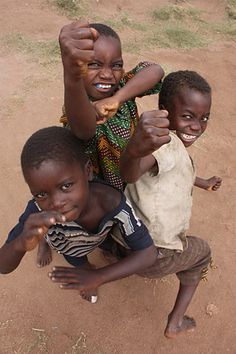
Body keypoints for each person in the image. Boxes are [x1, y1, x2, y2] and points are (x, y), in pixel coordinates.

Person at [36, 19, 165, 267]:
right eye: (94, 65)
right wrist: (71, 77)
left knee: (116, 213)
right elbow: (83, 130)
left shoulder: (121, 87)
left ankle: (110, 240)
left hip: (123, 172)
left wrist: (118, 97)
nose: (107, 74)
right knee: (68, 219)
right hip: (94, 180)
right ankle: (45, 241)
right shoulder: (78, 105)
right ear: (79, 68)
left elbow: (155, 70)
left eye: (116, 65)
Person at [0, 126, 159, 304]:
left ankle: (82, 269)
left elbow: (148, 253)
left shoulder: (112, 202)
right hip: (67, 245)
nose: (56, 203)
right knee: (76, 260)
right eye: (41, 194)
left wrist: (98, 276)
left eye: (66, 186)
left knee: (95, 259)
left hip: (94, 239)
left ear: (88, 171)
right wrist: (20, 243)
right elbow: (3, 266)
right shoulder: (37, 210)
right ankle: (44, 242)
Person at [120, 70, 222, 338]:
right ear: (164, 111)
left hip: (126, 238)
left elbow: (175, 171)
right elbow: (131, 173)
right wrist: (133, 151)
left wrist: (202, 182)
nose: (197, 126)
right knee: (202, 253)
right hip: (154, 255)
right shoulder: (162, 145)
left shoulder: (169, 144)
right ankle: (175, 323)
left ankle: (113, 255)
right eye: (188, 116)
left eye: (204, 118)